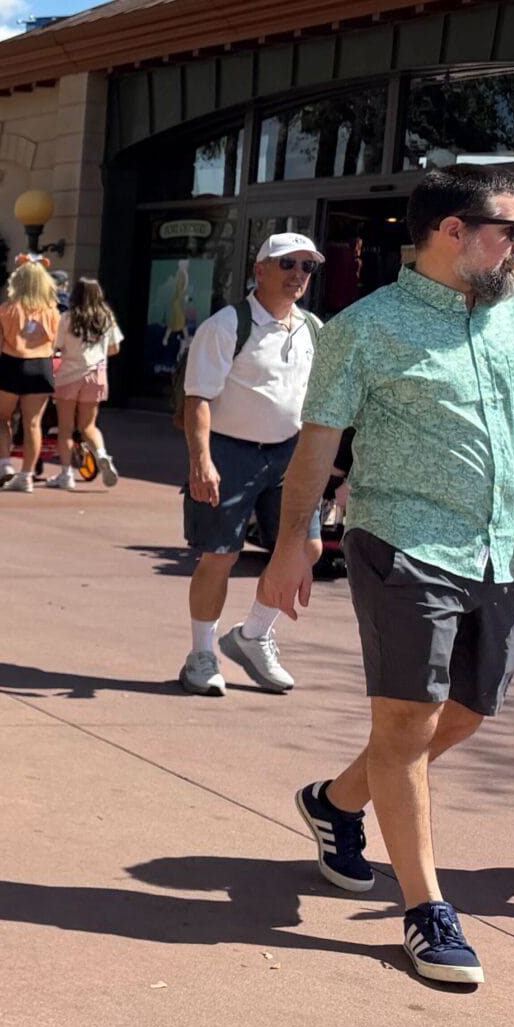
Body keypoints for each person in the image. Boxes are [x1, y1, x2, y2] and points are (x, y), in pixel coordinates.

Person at [261, 171, 514, 987]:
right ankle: (426, 910)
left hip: (501, 549)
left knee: (468, 715)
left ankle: (335, 803)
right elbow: (316, 446)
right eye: (511, 230)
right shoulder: (364, 329)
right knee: (409, 723)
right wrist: (291, 542)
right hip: (403, 542)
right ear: (452, 229)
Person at [177, 233, 322, 695]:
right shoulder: (227, 325)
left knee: (307, 550)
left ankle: (253, 635)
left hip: (290, 454)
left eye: (307, 267)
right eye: (287, 264)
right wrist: (202, 461)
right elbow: (198, 397)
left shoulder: (313, 328)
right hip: (230, 452)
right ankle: (202, 655)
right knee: (221, 554)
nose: (298, 274)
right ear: (260, 269)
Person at [0, 259, 61, 491]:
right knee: (33, 423)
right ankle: (27, 475)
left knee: (2, 418)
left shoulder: (5, 310)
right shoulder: (53, 312)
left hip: (11, 364)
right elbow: (56, 345)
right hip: (41, 367)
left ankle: (5, 464)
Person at [49, 278, 123, 487]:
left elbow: (57, 349)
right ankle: (101, 455)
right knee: (88, 426)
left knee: (65, 428)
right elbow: (115, 349)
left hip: (69, 375)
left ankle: (66, 475)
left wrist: (53, 371)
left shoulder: (66, 318)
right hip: (96, 375)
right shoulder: (106, 317)